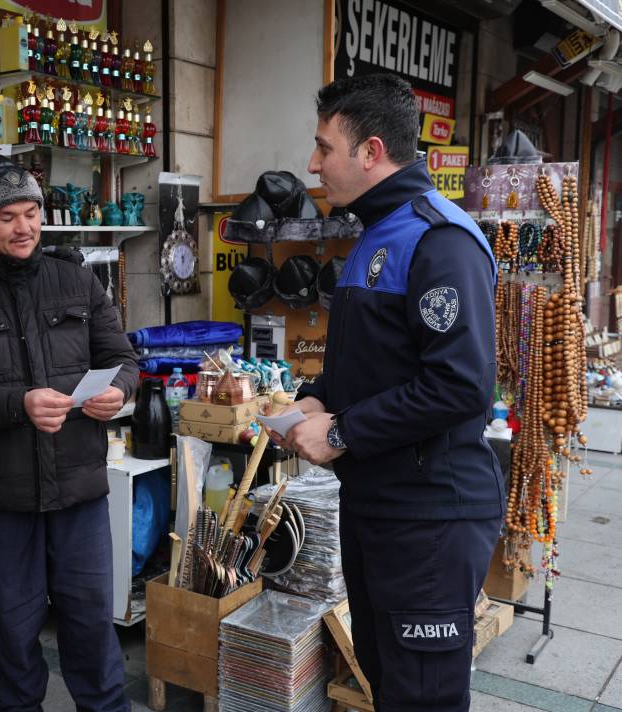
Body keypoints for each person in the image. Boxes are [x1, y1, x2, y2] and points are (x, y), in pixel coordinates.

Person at [279, 73, 505, 712]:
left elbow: (460, 387)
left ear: (371, 151)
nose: (313, 164)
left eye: (325, 148)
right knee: (386, 679)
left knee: (422, 697)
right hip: (378, 505)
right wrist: (318, 398)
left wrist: (343, 432)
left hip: (429, 516)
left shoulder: (440, 239)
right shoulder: (376, 233)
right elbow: (377, 364)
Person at [0, 154, 137, 712]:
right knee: (16, 639)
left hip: (79, 494)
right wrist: (20, 404)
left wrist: (119, 390)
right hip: (6, 499)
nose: (24, 227)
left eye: (32, 213)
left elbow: (121, 358)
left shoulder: (76, 281)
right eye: (7, 217)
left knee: (92, 631)